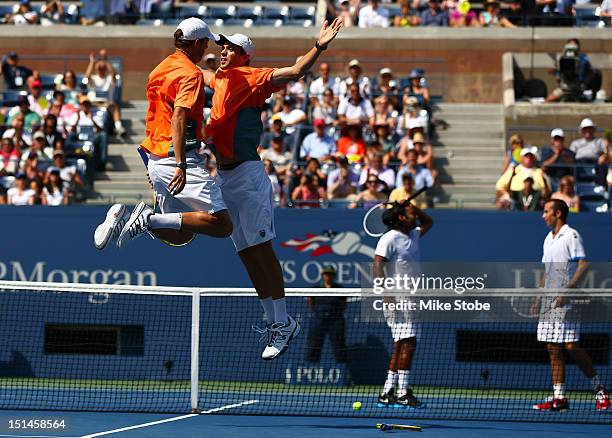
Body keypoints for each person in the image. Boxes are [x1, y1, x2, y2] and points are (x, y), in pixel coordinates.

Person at [122, 19, 343, 361]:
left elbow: (297, 70)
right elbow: (187, 73)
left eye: (231, 48)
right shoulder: (217, 78)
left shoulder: (254, 78)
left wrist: (319, 46)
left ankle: (284, 322)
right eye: (222, 46)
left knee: (262, 251)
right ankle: (275, 323)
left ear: (245, 56)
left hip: (248, 176)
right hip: (226, 177)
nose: (223, 51)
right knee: (246, 254)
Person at [93, 18, 233, 250]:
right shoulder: (191, 74)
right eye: (206, 43)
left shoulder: (161, 68)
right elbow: (178, 117)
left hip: (156, 157)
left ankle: (129, 218)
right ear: (196, 42)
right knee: (222, 225)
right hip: (177, 157)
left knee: (180, 235)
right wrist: (181, 164)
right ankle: (147, 218)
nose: (208, 48)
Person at [532, 200, 609, 412]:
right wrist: (538, 298)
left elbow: (583, 265)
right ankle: (560, 398)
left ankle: (599, 389)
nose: (543, 215)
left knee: (571, 346)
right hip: (549, 300)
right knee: (552, 348)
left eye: (546, 212)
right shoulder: (548, 239)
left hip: (568, 300)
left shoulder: (572, 235)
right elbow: (547, 272)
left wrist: (568, 291)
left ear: (557, 213)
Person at [374, 201, 433, 408]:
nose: (414, 216)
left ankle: (387, 391)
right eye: (408, 214)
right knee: (409, 342)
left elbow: (428, 220)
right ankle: (402, 392)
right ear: (400, 218)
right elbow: (378, 263)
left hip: (411, 297)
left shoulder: (414, 234)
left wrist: (412, 207)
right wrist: (386, 291)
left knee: (401, 343)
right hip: (398, 298)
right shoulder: (389, 238)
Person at [306, 265, 347, 364]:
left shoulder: (339, 288)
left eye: (330, 274)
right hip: (319, 320)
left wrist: (334, 313)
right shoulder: (316, 288)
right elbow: (311, 302)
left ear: (333, 276)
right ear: (322, 275)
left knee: (339, 347)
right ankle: (311, 367)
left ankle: (342, 370)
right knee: (314, 346)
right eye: (326, 274)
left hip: (335, 321)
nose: (328, 276)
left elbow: (344, 304)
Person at [569, 118, 609, 188]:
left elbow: (608, 152)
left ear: (593, 130)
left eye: (589, 128)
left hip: (596, 163)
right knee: (571, 166)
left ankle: (601, 187)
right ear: (582, 131)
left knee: (603, 166)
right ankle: (575, 187)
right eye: (585, 129)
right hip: (579, 163)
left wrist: (604, 156)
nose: (588, 131)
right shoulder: (576, 143)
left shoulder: (600, 142)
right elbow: (570, 156)